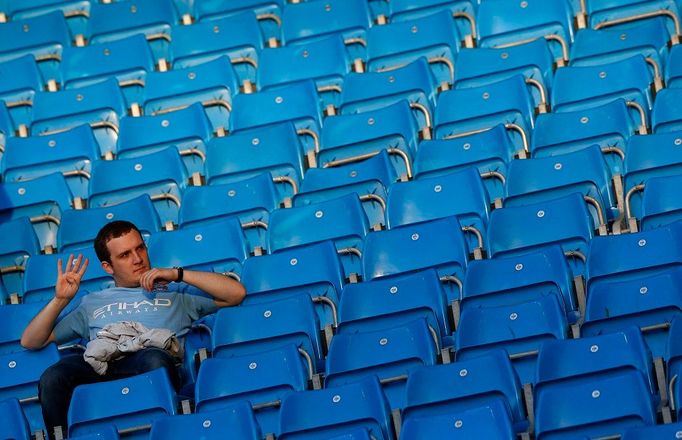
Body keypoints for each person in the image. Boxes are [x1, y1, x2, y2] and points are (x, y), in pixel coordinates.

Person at [20, 220, 246, 438]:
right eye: (125, 255)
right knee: (53, 377)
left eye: (140, 248)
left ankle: (167, 431)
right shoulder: (91, 302)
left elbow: (236, 293)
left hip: (147, 358)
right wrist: (60, 300)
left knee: (154, 359)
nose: (137, 259)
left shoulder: (176, 292)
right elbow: (31, 341)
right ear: (108, 267)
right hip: (99, 365)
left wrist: (177, 274)